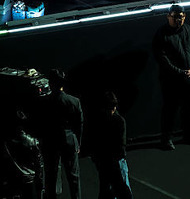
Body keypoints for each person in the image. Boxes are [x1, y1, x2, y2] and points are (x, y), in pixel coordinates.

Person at [153, 4, 190, 150]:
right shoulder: (162, 34)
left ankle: (189, 134)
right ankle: (166, 138)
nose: (178, 20)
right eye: (175, 17)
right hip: (171, 81)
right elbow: (162, 58)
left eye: (180, 17)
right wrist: (179, 71)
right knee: (170, 109)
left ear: (184, 17)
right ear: (168, 16)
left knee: (189, 109)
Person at [42, 69, 82, 199]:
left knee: (51, 176)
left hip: (51, 142)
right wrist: (77, 142)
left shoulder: (46, 102)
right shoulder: (74, 101)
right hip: (69, 140)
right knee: (74, 177)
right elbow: (79, 124)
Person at [90, 92, 133, 199]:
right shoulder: (118, 121)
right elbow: (120, 144)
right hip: (113, 161)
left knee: (107, 190)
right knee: (122, 190)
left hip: (107, 161)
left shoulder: (100, 120)